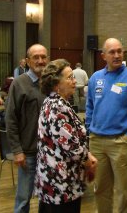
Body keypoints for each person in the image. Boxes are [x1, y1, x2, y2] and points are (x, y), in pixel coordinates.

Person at [85, 38, 127, 213]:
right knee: (100, 189)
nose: (117, 55)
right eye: (112, 52)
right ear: (103, 56)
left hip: (120, 142)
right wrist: (89, 129)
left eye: (119, 51)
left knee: (124, 191)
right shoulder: (95, 78)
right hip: (97, 142)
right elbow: (90, 105)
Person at [35, 59, 97, 213]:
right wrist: (88, 160)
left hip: (57, 180)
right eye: (70, 77)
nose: (74, 81)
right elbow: (70, 145)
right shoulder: (57, 106)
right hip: (60, 184)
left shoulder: (56, 102)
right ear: (56, 84)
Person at [5, 44, 49, 213]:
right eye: (36, 57)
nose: (40, 60)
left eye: (43, 57)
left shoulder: (51, 84)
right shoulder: (19, 83)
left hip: (49, 153)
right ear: (28, 61)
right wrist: (17, 150)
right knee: (23, 199)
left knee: (46, 198)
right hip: (28, 152)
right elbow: (10, 119)